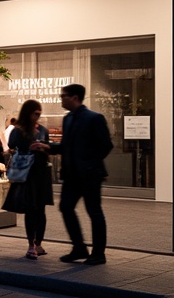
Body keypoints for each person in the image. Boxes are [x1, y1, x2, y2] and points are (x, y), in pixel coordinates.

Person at [49, 83, 113, 265]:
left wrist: (90, 164)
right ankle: (79, 247)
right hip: (72, 175)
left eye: (63, 96)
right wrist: (49, 147)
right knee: (66, 207)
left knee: (94, 211)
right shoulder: (68, 119)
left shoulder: (94, 118)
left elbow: (106, 145)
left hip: (90, 174)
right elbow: (65, 146)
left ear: (75, 97)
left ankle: (98, 253)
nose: (61, 99)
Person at [4, 99, 53, 260]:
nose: (37, 117)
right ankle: (31, 244)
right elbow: (12, 145)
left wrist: (43, 147)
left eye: (39, 114)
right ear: (28, 113)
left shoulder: (43, 130)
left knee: (41, 208)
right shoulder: (19, 130)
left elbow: (48, 148)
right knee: (31, 208)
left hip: (41, 172)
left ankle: (38, 242)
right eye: (35, 114)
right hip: (28, 173)